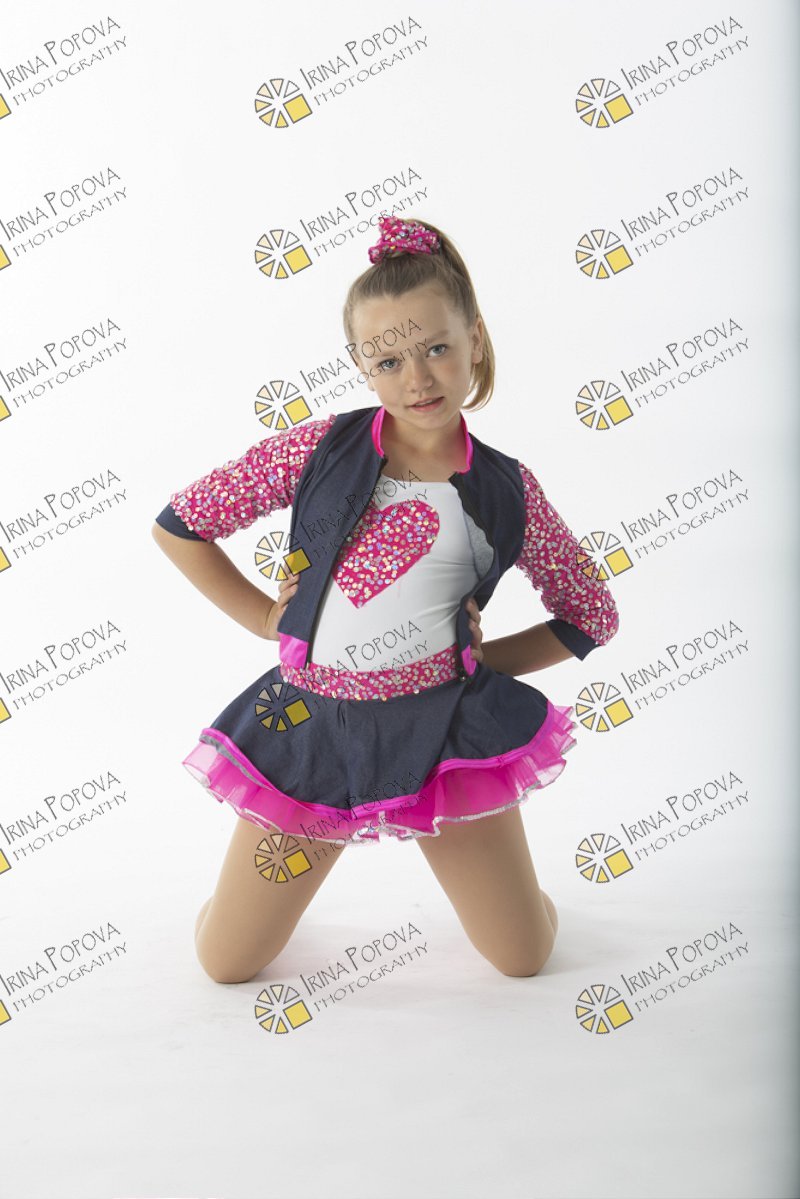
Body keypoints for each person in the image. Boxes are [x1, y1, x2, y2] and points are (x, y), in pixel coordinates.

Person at [152, 214, 620, 985]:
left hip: (446, 738)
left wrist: (476, 666)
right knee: (225, 963)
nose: (418, 379)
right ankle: (232, 904)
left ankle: (527, 903)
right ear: (362, 367)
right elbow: (181, 525)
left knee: (523, 958)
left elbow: (590, 613)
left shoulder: (508, 488)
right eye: (390, 360)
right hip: (313, 729)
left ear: (475, 338)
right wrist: (266, 617)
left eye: (437, 347)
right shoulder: (315, 449)